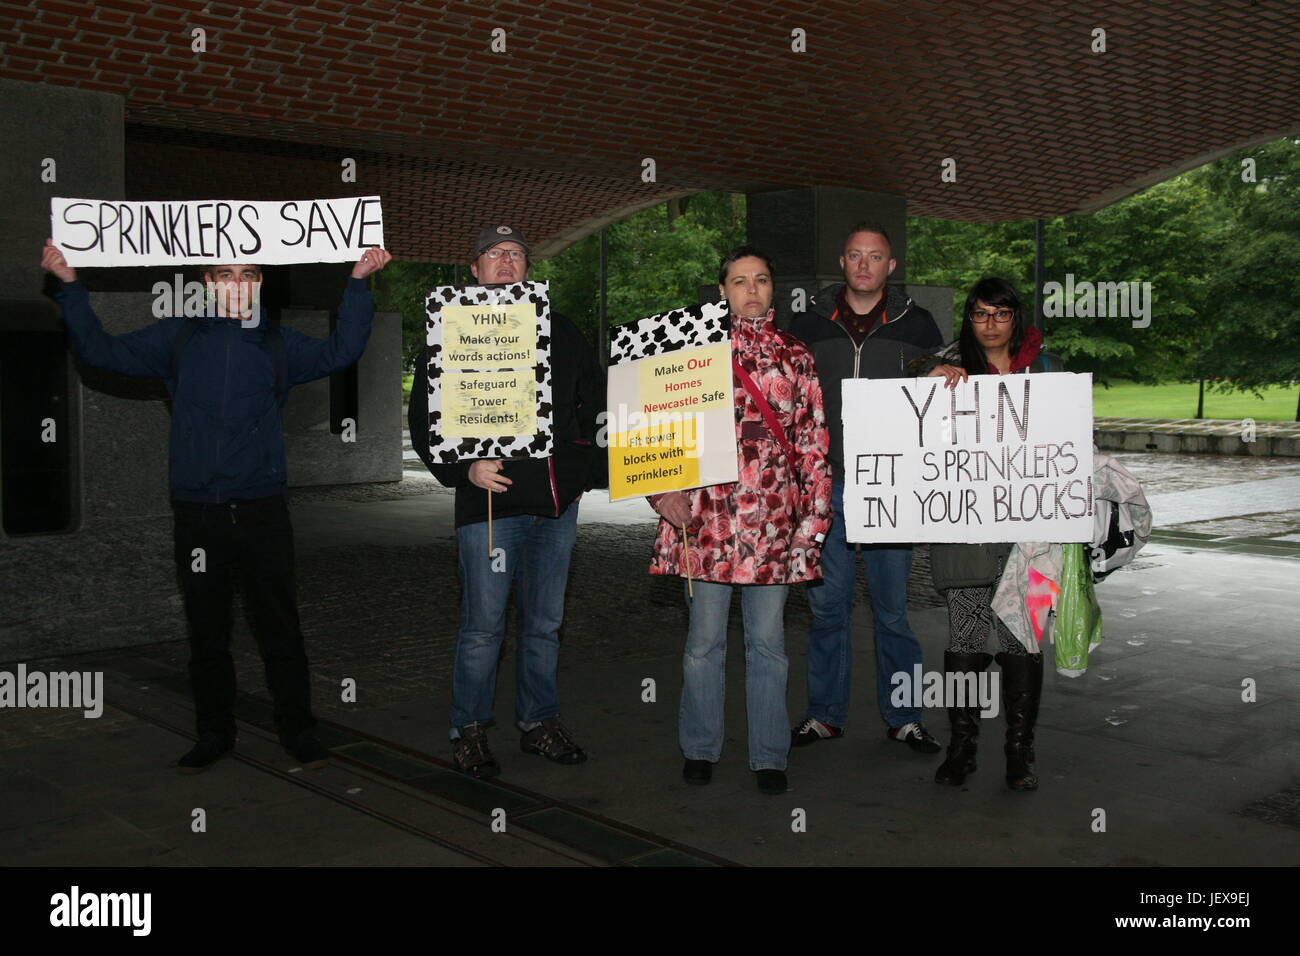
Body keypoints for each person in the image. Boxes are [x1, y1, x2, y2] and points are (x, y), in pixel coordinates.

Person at [40, 238, 391, 773]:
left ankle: (298, 730)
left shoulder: (278, 343)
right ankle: (213, 733)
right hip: (199, 511)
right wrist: (69, 284)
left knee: (280, 627)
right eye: (224, 273)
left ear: (259, 283)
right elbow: (100, 351)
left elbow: (341, 350)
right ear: (207, 283)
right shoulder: (177, 336)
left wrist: (359, 281)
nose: (237, 283)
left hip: (263, 511)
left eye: (248, 273)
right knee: (208, 630)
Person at [408, 224, 606, 778]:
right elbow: (425, 421)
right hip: (487, 507)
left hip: (553, 505)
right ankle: (468, 729)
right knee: (482, 626)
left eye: (515, 254)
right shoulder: (449, 333)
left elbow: (594, 403)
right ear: (473, 269)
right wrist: (463, 467)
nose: (505, 262)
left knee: (544, 622)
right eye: (493, 254)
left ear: (527, 266)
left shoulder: (560, 331)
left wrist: (579, 469)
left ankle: (539, 722)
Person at [648, 245, 831, 795]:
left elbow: (814, 445)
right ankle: (700, 748)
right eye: (739, 281)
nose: (751, 290)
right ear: (722, 290)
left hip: (774, 526)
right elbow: (653, 427)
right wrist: (662, 492)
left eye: (762, 279)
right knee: (703, 643)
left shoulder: (796, 356)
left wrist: (812, 526)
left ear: (773, 288)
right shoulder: (692, 352)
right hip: (706, 521)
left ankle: (770, 755)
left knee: (769, 645)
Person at [788, 222, 945, 753]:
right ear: (842, 261)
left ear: (890, 266)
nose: (864, 265)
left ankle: (904, 716)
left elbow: (937, 399)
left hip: (890, 486)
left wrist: (949, 374)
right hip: (824, 485)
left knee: (893, 611)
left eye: (874, 257)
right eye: (855, 255)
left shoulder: (918, 323)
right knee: (827, 609)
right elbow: (785, 394)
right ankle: (825, 714)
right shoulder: (808, 322)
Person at [919, 276, 1064, 791]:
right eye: (980, 314)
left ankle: (1019, 751)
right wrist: (926, 380)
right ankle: (962, 747)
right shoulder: (948, 369)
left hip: (1029, 531)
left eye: (1000, 314)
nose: (990, 324)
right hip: (965, 526)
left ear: (1014, 318)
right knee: (964, 634)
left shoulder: (1045, 369)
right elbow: (904, 414)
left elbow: (1067, 440)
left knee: (1021, 638)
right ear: (969, 319)